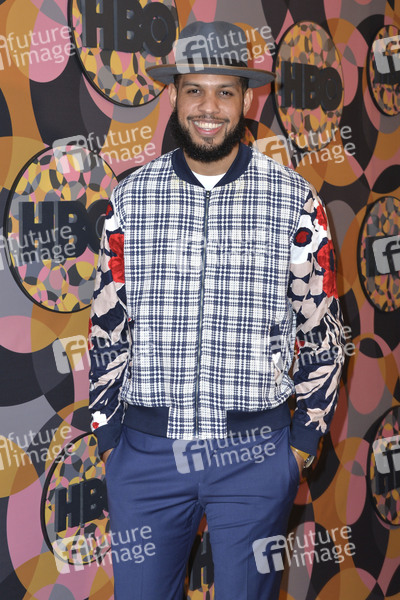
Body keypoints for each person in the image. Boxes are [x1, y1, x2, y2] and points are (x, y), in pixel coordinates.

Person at [88, 20, 345, 600]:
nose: (209, 108)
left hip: (255, 458)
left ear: (246, 100)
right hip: (146, 457)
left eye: (224, 91)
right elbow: (108, 321)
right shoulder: (131, 198)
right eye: (195, 90)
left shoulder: (294, 199)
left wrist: (302, 442)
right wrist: (108, 435)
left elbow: (322, 330)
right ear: (174, 97)